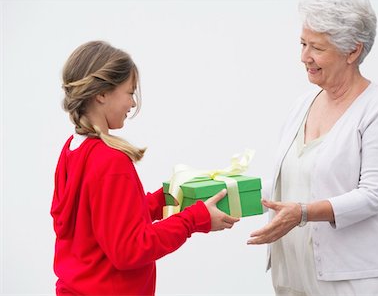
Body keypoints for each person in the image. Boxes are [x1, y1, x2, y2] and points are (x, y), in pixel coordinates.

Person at [50, 40, 239, 296]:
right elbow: (130, 249)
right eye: (130, 92)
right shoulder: (111, 161)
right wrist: (195, 219)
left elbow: (103, 223)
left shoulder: (72, 150)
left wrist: (164, 200)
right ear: (102, 94)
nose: (133, 104)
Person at [247, 0, 378, 295]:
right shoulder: (303, 105)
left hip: (356, 278)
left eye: (317, 48)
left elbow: (372, 196)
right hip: (295, 275)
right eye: (302, 44)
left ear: (353, 51)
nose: (304, 56)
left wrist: (304, 212)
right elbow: (291, 182)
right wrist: (227, 192)